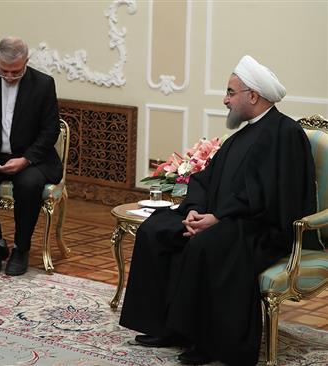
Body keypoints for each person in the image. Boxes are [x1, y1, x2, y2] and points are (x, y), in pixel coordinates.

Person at [119, 55, 321, 365]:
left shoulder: (285, 134)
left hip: (261, 229)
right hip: (221, 217)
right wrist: (196, 210)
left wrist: (218, 217)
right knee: (157, 229)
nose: (225, 100)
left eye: (230, 92)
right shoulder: (240, 136)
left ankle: (208, 342)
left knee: (207, 246)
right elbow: (204, 178)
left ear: (252, 96)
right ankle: (166, 327)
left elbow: (271, 196)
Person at [0, 36, 62, 276]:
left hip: (32, 158)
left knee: (29, 184)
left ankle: (21, 248)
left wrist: (26, 159)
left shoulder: (44, 84)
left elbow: (50, 130)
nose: (9, 76)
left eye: (15, 72)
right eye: (3, 71)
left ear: (26, 61)